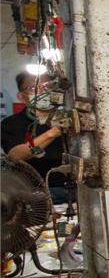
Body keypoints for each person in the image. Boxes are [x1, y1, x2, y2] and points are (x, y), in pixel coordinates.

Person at [1, 73, 69, 204]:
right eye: (33, 88)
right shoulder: (11, 124)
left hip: (74, 189)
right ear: (21, 97)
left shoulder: (68, 118)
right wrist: (52, 133)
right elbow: (15, 155)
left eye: (48, 86)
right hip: (36, 196)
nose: (42, 92)